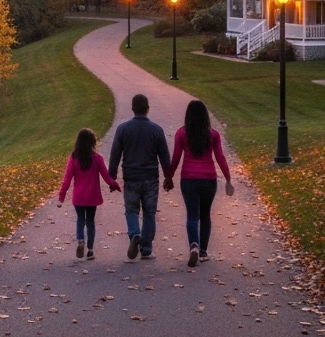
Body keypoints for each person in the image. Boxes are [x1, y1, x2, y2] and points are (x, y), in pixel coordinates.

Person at [166, 99, 234, 268]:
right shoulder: (213, 135)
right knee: (205, 215)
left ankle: (193, 246)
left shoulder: (181, 133)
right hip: (208, 179)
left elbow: (176, 158)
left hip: (188, 179)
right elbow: (220, 157)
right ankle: (203, 252)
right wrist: (228, 179)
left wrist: (169, 177)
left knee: (192, 216)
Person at [109, 94, 172, 260]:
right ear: (147, 109)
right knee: (149, 212)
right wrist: (168, 177)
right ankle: (146, 249)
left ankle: (134, 234)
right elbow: (164, 157)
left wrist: (112, 177)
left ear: (132, 108)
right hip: (151, 177)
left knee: (131, 210)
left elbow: (115, 154)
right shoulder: (156, 130)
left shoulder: (123, 129)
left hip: (131, 176)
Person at [57, 128, 121, 260]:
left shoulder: (74, 158)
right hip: (92, 196)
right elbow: (106, 177)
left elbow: (67, 179)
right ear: (93, 142)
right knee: (90, 221)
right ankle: (90, 250)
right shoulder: (97, 158)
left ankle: (81, 240)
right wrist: (114, 184)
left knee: (80, 220)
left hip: (79, 196)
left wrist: (61, 196)